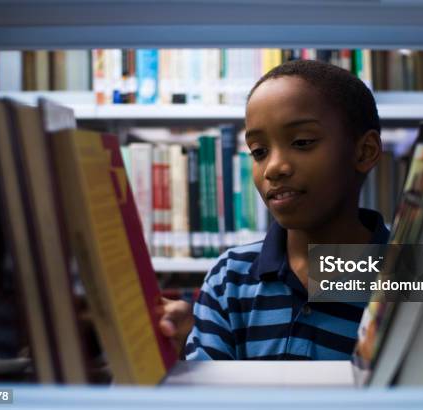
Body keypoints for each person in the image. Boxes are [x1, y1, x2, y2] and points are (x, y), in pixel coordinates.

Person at [156, 59, 389, 360]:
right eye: (259, 152)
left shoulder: (409, 275)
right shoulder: (229, 278)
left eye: (302, 142)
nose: (274, 168)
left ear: (365, 151)